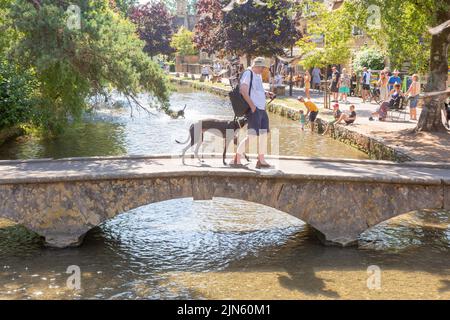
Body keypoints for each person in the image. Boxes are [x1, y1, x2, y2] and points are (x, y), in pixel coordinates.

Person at [232, 57, 275, 168]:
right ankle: (236, 159)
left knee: (263, 134)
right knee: (251, 135)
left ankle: (261, 160)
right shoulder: (248, 73)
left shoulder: (258, 75)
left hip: (261, 109)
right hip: (254, 109)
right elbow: (243, 90)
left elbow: (256, 90)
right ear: (256, 66)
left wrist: (266, 93)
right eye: (262, 67)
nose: (263, 69)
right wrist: (252, 106)